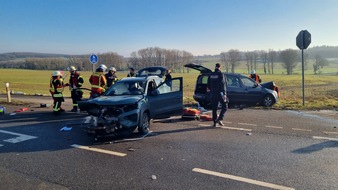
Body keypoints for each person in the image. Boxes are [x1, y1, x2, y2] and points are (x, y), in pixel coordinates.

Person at [207, 63, 228, 127]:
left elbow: (208, 85)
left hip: (213, 93)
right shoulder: (221, 74)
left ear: (215, 67)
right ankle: (220, 118)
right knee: (225, 106)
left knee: (214, 108)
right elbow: (223, 85)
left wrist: (212, 91)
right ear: (220, 67)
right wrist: (223, 94)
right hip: (220, 93)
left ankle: (215, 122)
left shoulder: (211, 75)